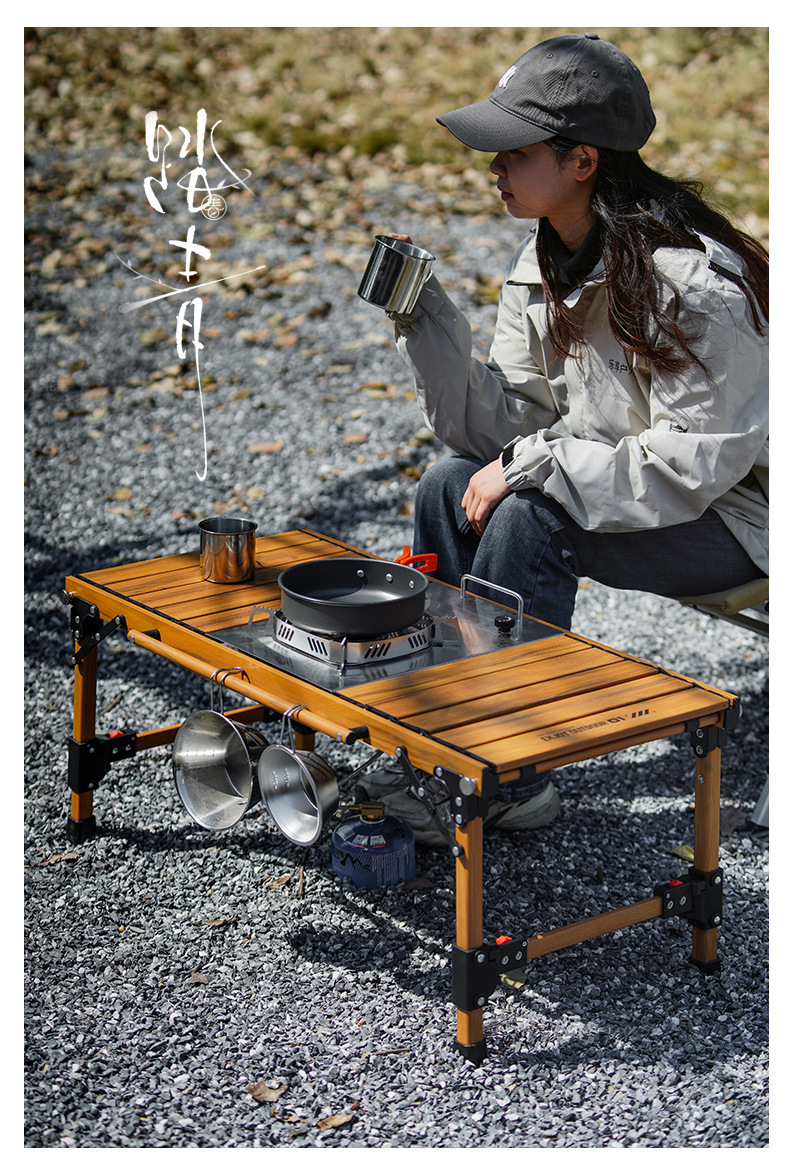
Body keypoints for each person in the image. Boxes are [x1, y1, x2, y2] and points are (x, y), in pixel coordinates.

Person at [359, 32, 768, 844]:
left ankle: (508, 777)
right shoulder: (545, 259)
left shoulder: (694, 286)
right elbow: (508, 424)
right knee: (447, 485)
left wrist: (534, 463)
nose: (494, 165)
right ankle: (442, 735)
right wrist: (425, 317)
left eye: (515, 149)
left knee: (531, 516)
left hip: (737, 518)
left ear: (582, 161)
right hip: (631, 487)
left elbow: (691, 467)